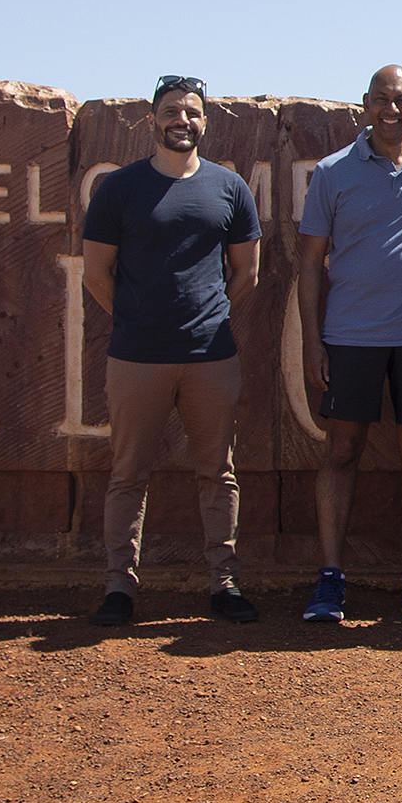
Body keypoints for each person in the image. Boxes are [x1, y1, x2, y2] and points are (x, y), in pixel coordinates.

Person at [78, 75, 263, 628]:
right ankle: (119, 589)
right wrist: (139, 320)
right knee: (128, 474)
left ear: (205, 122)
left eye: (191, 112)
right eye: (170, 111)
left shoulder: (230, 189)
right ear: (152, 119)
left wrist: (206, 319)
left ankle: (224, 583)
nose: (181, 119)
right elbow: (95, 274)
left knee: (218, 473)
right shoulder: (119, 189)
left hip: (211, 354)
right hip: (136, 356)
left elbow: (247, 272)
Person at [295, 65, 402, 627]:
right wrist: (310, 342)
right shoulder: (332, 173)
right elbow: (308, 264)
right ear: (364, 104)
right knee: (340, 452)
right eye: (381, 100)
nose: (391, 110)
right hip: (350, 337)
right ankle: (330, 576)